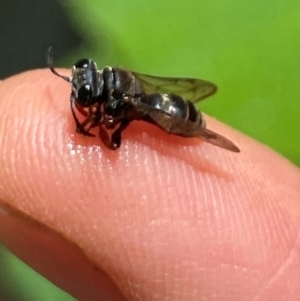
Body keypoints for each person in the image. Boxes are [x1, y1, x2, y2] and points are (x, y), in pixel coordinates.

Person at [0, 69, 299, 301]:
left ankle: (197, 131)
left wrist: (94, 124)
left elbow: (111, 134)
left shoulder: (121, 101)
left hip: (171, 113)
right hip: (156, 98)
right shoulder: (115, 86)